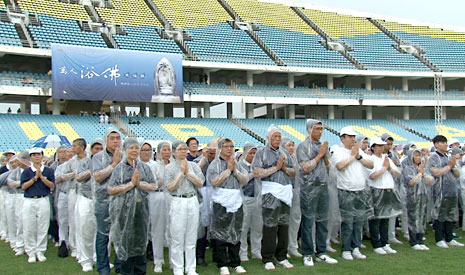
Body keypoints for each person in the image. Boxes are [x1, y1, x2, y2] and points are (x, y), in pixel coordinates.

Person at [108, 138, 157, 275]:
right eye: (131, 148)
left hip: (142, 211)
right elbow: (111, 189)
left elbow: (153, 186)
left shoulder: (145, 168)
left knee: (140, 241)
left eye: (136, 148)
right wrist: (130, 185)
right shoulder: (119, 169)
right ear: (125, 150)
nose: (134, 151)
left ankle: (140, 271)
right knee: (125, 240)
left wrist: (140, 184)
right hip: (123, 211)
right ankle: (125, 270)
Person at [252, 125, 296, 271]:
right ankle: (268, 257)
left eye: (279, 137)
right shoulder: (261, 153)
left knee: (284, 224)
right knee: (270, 225)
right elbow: (257, 172)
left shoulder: (285, 153)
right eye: (274, 136)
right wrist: (275, 168)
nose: (277, 139)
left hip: (284, 192)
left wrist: (284, 169)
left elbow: (293, 172)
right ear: (268, 138)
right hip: (270, 192)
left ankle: (282, 256)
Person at [296, 119, 337, 266]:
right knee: (308, 221)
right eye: (317, 128)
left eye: (321, 129)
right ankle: (307, 253)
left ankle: (321, 252)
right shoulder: (302, 146)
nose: (320, 131)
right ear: (309, 129)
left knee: (323, 220)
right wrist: (320, 155)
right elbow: (305, 167)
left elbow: (329, 168)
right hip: (309, 187)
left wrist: (325, 156)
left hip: (323, 186)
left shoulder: (323, 146)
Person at [207, 138, 248, 275]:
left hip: (236, 201)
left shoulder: (237, 164)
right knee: (220, 233)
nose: (230, 149)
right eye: (226, 146)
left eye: (232, 146)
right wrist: (227, 171)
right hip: (221, 201)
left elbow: (245, 180)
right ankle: (222, 263)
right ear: (220, 148)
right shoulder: (214, 164)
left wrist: (234, 170)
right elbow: (213, 182)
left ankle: (235, 262)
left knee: (235, 231)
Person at [332, 126, 373, 261]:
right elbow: (339, 166)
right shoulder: (338, 151)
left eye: (353, 137)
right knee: (348, 222)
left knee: (359, 221)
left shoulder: (358, 151)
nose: (352, 140)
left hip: (360, 190)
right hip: (346, 190)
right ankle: (346, 248)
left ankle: (356, 247)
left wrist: (359, 156)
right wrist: (352, 157)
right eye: (349, 137)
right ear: (342, 138)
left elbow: (371, 164)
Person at [165, 141, 204, 275]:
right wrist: (181, 173)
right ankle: (178, 268)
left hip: (192, 199)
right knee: (177, 236)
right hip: (178, 200)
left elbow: (200, 183)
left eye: (184, 149)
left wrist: (189, 173)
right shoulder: (169, 168)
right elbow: (169, 187)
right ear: (174, 152)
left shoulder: (193, 166)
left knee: (191, 236)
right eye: (180, 149)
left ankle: (191, 268)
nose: (183, 152)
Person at [91, 128, 123, 275]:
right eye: (112, 138)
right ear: (106, 140)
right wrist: (113, 164)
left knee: (121, 235)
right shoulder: (98, 158)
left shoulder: (125, 156)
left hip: (122, 201)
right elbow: (97, 177)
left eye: (118, 138)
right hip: (104, 201)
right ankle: (103, 267)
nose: (115, 141)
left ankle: (120, 266)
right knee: (103, 235)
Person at [425, 135, 464, 248]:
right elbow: (435, 173)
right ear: (436, 144)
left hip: (451, 190)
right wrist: (449, 166)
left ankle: (449, 237)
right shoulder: (434, 158)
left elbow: (457, 174)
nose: (445, 144)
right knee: (439, 215)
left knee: (450, 215)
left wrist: (453, 166)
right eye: (442, 142)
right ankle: (439, 238)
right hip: (440, 190)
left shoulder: (448, 157)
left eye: (445, 142)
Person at [367, 137, 402, 255]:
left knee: (386, 218)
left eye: (383, 146)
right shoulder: (371, 159)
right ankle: (376, 244)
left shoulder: (386, 158)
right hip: (377, 190)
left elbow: (397, 173)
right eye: (379, 146)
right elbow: (372, 176)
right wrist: (384, 168)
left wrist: (389, 167)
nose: (382, 148)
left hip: (388, 190)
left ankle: (385, 242)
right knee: (376, 219)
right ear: (373, 147)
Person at [20, 147, 55, 263]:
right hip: (29, 200)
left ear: (42, 156)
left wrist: (42, 178)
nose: (36, 157)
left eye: (38, 154)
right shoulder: (26, 172)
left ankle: (40, 251)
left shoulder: (48, 171)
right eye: (34, 155)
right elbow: (23, 186)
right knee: (29, 227)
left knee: (43, 226)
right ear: (30, 157)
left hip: (43, 199)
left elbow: (51, 185)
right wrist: (35, 178)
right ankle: (31, 251)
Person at [75, 138, 104, 272]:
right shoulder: (86, 162)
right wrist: (93, 169)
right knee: (86, 229)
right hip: (87, 198)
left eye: (100, 149)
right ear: (91, 150)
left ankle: (100, 258)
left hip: (102, 200)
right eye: (95, 149)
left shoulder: (107, 161)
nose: (98, 151)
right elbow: (78, 177)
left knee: (102, 231)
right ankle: (86, 260)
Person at [401, 148, 433, 251]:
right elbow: (411, 182)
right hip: (412, 195)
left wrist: (423, 173)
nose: (418, 158)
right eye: (416, 156)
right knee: (413, 218)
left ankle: (420, 239)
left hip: (422, 194)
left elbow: (430, 181)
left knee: (422, 218)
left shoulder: (422, 168)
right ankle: (413, 240)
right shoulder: (408, 168)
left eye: (419, 155)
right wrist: (419, 173)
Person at [193, 140, 217, 267]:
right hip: (202, 194)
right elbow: (195, 171)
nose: (212, 155)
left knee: (215, 225)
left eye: (214, 152)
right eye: (210, 152)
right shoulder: (198, 161)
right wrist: (204, 158)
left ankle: (216, 254)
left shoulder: (218, 162)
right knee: (202, 226)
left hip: (215, 193)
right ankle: (199, 256)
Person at [238, 142, 262, 262]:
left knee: (257, 227)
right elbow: (243, 180)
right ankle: (242, 252)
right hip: (244, 199)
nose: (253, 155)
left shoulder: (259, 165)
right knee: (244, 227)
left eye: (255, 153)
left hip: (257, 199)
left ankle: (256, 251)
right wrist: (253, 174)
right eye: (251, 153)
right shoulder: (239, 165)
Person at [381, 133, 406, 244]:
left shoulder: (393, 155)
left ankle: (391, 235)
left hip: (393, 185)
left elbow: (399, 170)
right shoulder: (377, 155)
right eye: (387, 144)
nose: (389, 146)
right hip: (381, 185)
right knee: (380, 213)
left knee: (392, 212)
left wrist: (394, 167)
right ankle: (380, 235)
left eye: (391, 144)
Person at [150, 141, 172, 273]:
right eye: (164, 150)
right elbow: (152, 184)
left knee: (172, 230)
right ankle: (158, 260)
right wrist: (161, 180)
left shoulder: (175, 165)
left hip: (172, 197)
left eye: (169, 149)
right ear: (159, 152)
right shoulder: (154, 166)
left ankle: (172, 260)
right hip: (158, 197)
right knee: (157, 230)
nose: (167, 152)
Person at [281, 137, 302, 259]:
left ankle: (293, 246)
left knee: (295, 218)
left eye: (292, 145)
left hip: (295, 190)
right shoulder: (281, 157)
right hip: (284, 190)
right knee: (283, 220)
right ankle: (283, 247)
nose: (291, 147)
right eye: (289, 145)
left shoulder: (295, 158)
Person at [6, 151, 30, 256]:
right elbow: (10, 183)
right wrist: (23, 183)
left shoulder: (32, 169)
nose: (17, 163)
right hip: (20, 196)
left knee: (30, 222)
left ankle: (30, 245)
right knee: (19, 220)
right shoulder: (16, 172)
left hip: (30, 197)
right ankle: (20, 244)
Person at [55, 147, 76, 257]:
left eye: (72, 152)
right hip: (63, 193)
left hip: (75, 194)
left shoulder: (78, 164)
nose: (70, 154)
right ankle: (63, 241)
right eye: (68, 152)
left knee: (74, 219)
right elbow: (56, 179)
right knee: (63, 219)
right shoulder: (61, 167)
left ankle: (74, 244)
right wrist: (68, 175)